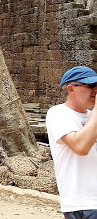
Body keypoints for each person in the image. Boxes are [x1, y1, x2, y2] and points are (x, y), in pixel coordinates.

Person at [46, 66, 97, 218]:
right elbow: (80, 147)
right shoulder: (58, 113)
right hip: (82, 203)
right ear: (71, 89)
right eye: (90, 86)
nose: (95, 90)